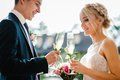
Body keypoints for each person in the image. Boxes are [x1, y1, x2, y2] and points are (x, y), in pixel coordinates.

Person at [0, 0, 60, 80]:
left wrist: (47, 64)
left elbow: (25, 64)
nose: (39, 10)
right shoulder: (8, 24)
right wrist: (43, 62)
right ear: (22, 1)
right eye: (37, 4)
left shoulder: (23, 26)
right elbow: (7, 66)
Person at [70, 3, 120, 80]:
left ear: (100, 20)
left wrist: (84, 70)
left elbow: (117, 77)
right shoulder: (91, 47)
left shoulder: (108, 43)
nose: (82, 25)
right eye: (81, 21)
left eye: (86, 20)